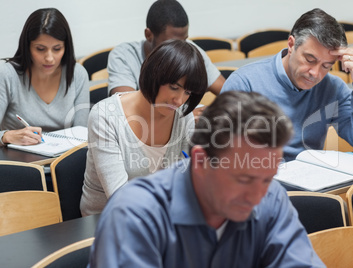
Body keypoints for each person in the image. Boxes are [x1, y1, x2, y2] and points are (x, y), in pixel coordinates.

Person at [88, 91, 326, 267]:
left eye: (267, 179)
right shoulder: (134, 214)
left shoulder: (271, 198)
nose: (256, 196)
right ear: (201, 162)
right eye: (243, 179)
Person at [221, 8, 353, 161]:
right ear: (291, 45)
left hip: (310, 184)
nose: (316, 73)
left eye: (327, 66)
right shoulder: (244, 83)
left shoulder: (332, 87)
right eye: (310, 60)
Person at [80, 39, 208, 216]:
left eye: (187, 92)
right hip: (106, 221)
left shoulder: (182, 115)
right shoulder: (105, 116)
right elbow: (120, 198)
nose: (179, 101)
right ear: (154, 75)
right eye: (173, 87)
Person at [0, 8, 89, 147]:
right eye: (40, 49)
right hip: (20, 163)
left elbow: (83, 134)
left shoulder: (77, 74)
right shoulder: (7, 75)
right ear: (27, 46)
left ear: (66, 47)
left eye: (57, 48)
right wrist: (7, 136)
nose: (49, 58)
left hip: (64, 161)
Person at [107, 0, 224, 97]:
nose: (180, 48)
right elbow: (126, 107)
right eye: (171, 43)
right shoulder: (123, 56)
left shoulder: (191, 50)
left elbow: (227, 91)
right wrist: (182, 116)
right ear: (149, 35)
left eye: (184, 40)